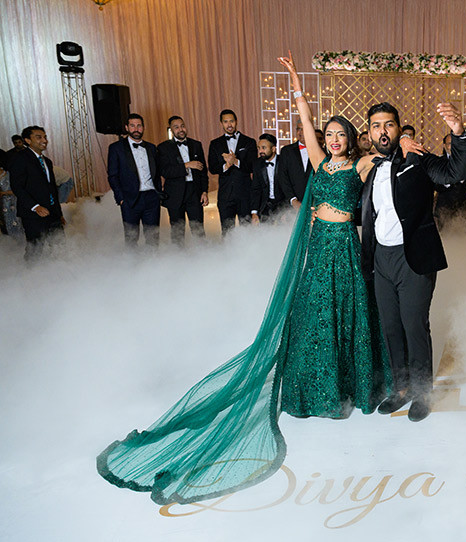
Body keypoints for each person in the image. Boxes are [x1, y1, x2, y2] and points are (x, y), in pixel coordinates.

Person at [96, 52, 402, 505]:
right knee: (314, 318)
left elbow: (386, 153)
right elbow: (304, 122)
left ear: (352, 140)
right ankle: (310, 390)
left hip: (343, 246)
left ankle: (346, 386)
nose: (334, 140)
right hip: (318, 248)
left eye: (342, 135)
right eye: (330, 135)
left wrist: (408, 144)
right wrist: (297, 85)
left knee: (346, 314)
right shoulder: (318, 160)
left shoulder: (361, 165)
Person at [360, 103, 466, 422]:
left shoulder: (417, 158)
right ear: (369, 133)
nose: (383, 130)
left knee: (414, 326)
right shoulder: (367, 167)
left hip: (413, 257)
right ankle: (401, 388)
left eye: (389, 124)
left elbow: (456, 173)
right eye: (376, 125)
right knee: (391, 327)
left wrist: (459, 132)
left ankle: (423, 392)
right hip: (380, 257)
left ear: (399, 128)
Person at [7, 126, 65, 259]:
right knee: (35, 250)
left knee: (59, 247)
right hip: (33, 215)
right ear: (27, 140)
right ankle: (31, 276)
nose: (44, 140)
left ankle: (61, 275)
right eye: (38, 137)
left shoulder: (47, 161)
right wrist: (35, 207)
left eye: (45, 137)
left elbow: (52, 189)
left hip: (53, 214)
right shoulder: (19, 158)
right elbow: (17, 187)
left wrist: (59, 213)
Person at [107, 114, 161, 247]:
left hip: (151, 198)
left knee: (153, 237)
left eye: (139, 125)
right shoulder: (116, 148)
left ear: (143, 127)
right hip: (129, 199)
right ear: (127, 127)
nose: (136, 129)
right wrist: (120, 198)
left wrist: (158, 193)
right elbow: (112, 175)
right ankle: (133, 266)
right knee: (131, 239)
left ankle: (154, 266)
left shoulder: (152, 148)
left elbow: (157, 173)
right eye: (132, 125)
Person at [157, 116, 208, 245]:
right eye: (176, 127)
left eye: (182, 126)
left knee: (198, 230)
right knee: (177, 232)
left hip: (194, 193)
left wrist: (204, 191)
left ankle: (204, 258)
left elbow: (203, 172)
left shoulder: (196, 144)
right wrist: (186, 165)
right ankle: (179, 261)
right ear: (171, 130)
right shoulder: (163, 147)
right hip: (175, 194)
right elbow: (165, 171)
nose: (181, 129)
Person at [208, 109, 256, 234]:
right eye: (226, 122)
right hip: (225, 196)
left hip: (245, 195)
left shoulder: (249, 142)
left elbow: (253, 166)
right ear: (221, 123)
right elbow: (212, 168)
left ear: (236, 122)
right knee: (227, 233)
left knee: (247, 232)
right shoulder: (215, 144)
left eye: (232, 121)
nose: (229, 125)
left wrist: (236, 161)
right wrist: (226, 165)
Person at [433, 133, 466, 228]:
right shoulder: (438, 162)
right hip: (444, 207)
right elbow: (435, 185)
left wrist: (463, 179)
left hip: (464, 206)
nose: (452, 147)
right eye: (449, 144)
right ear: (444, 146)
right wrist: (447, 182)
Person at [277, 120, 313, 210]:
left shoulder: (321, 152)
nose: (301, 132)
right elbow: (282, 177)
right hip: (291, 206)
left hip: (314, 204)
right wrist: (293, 200)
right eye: (299, 129)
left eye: (304, 129)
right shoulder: (286, 151)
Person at [250, 133, 284, 224]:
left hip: (283, 205)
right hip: (265, 206)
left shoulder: (284, 162)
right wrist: (254, 212)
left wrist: (288, 209)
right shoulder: (257, 164)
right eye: (259, 148)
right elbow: (256, 189)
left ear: (273, 149)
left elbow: (289, 187)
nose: (260, 151)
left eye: (263, 148)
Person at [0, 155, 24, 238]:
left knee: (15, 221)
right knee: (5, 224)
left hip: (12, 203)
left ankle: (18, 242)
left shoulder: (9, 174)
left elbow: (17, 190)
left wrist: (3, 193)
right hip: (2, 205)